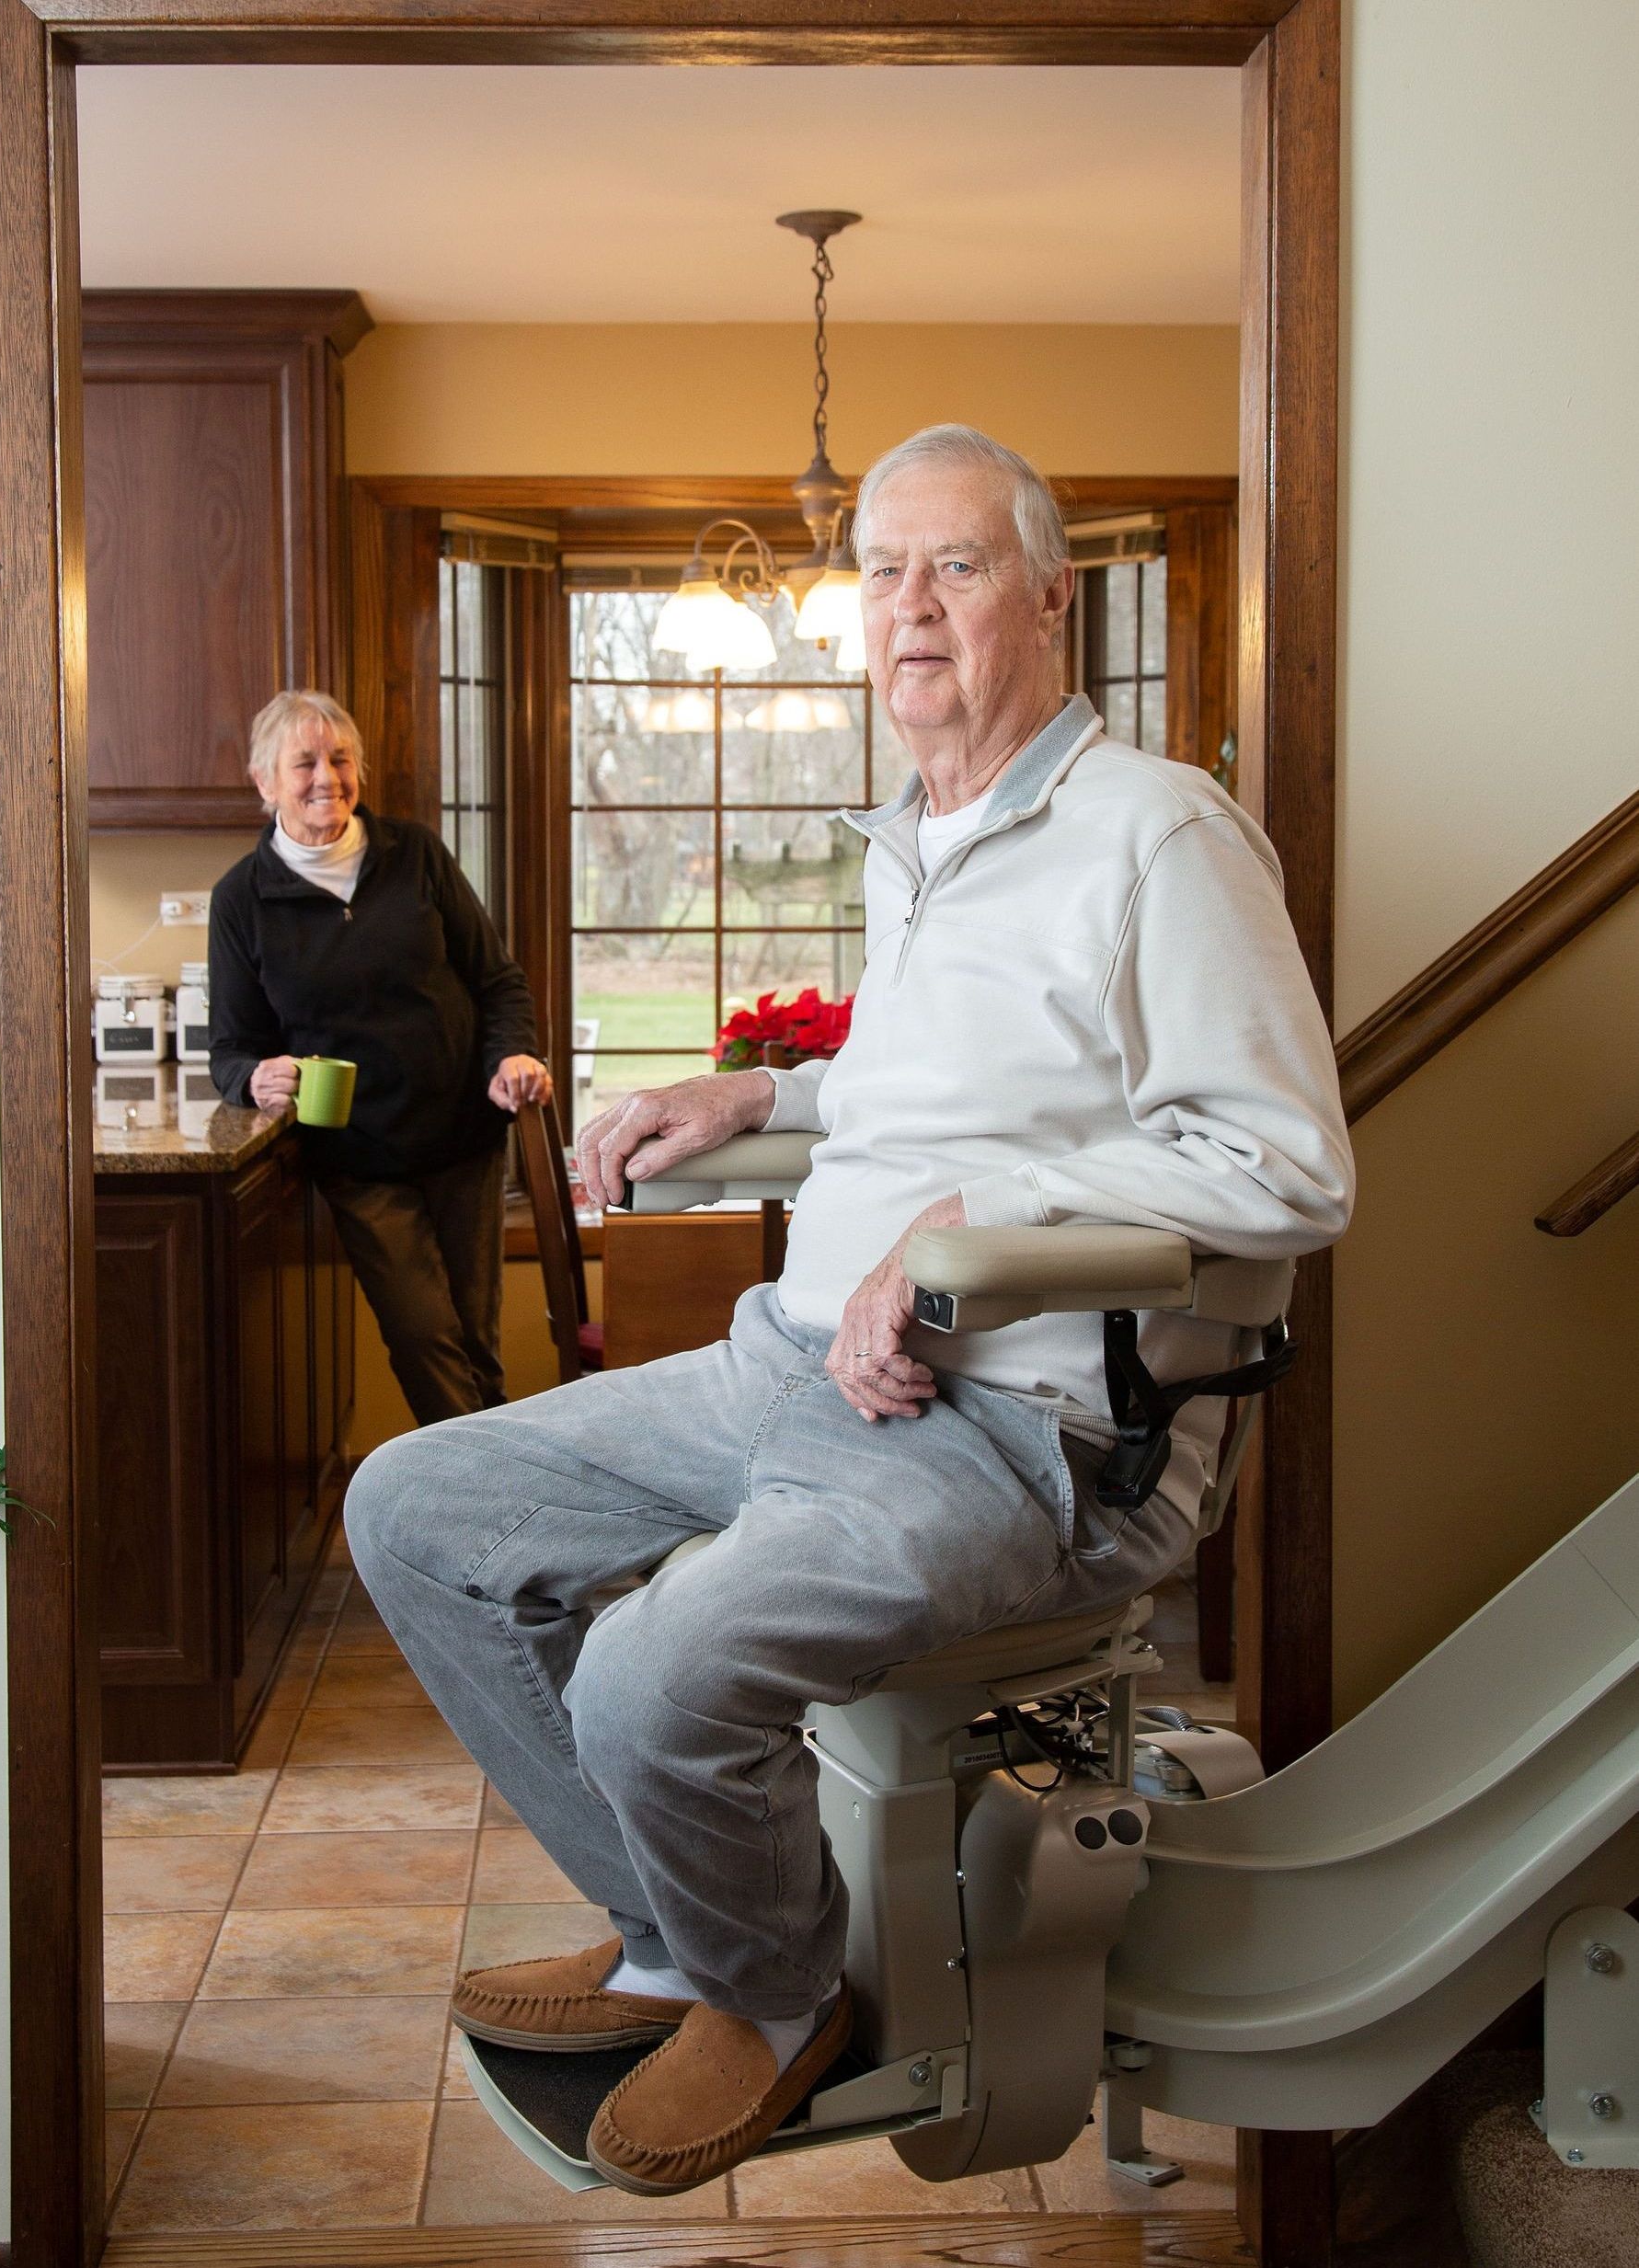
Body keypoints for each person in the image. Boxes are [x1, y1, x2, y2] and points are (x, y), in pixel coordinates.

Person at [345, 426, 1355, 2194]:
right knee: (417, 1508)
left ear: (1050, 592)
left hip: (1026, 1433)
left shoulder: (1158, 835)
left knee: (655, 1669)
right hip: (789, 1368)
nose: (908, 607)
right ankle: (677, 1937)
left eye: (954, 566)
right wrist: (757, 1100)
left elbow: (1286, 1168)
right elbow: (939, 1095)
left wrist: (975, 1229)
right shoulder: (921, 836)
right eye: (881, 572)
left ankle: (772, 1986)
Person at [209, 690, 550, 1425]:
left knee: (477, 1341)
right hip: (358, 1159)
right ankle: (479, 1496)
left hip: (463, 1139)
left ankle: (493, 1503)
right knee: (423, 1336)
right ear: (265, 780)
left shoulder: (415, 853)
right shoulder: (242, 899)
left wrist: (510, 1055)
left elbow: (497, 981)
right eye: (304, 763)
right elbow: (232, 1049)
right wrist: (255, 1078)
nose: (326, 778)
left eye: (341, 759)